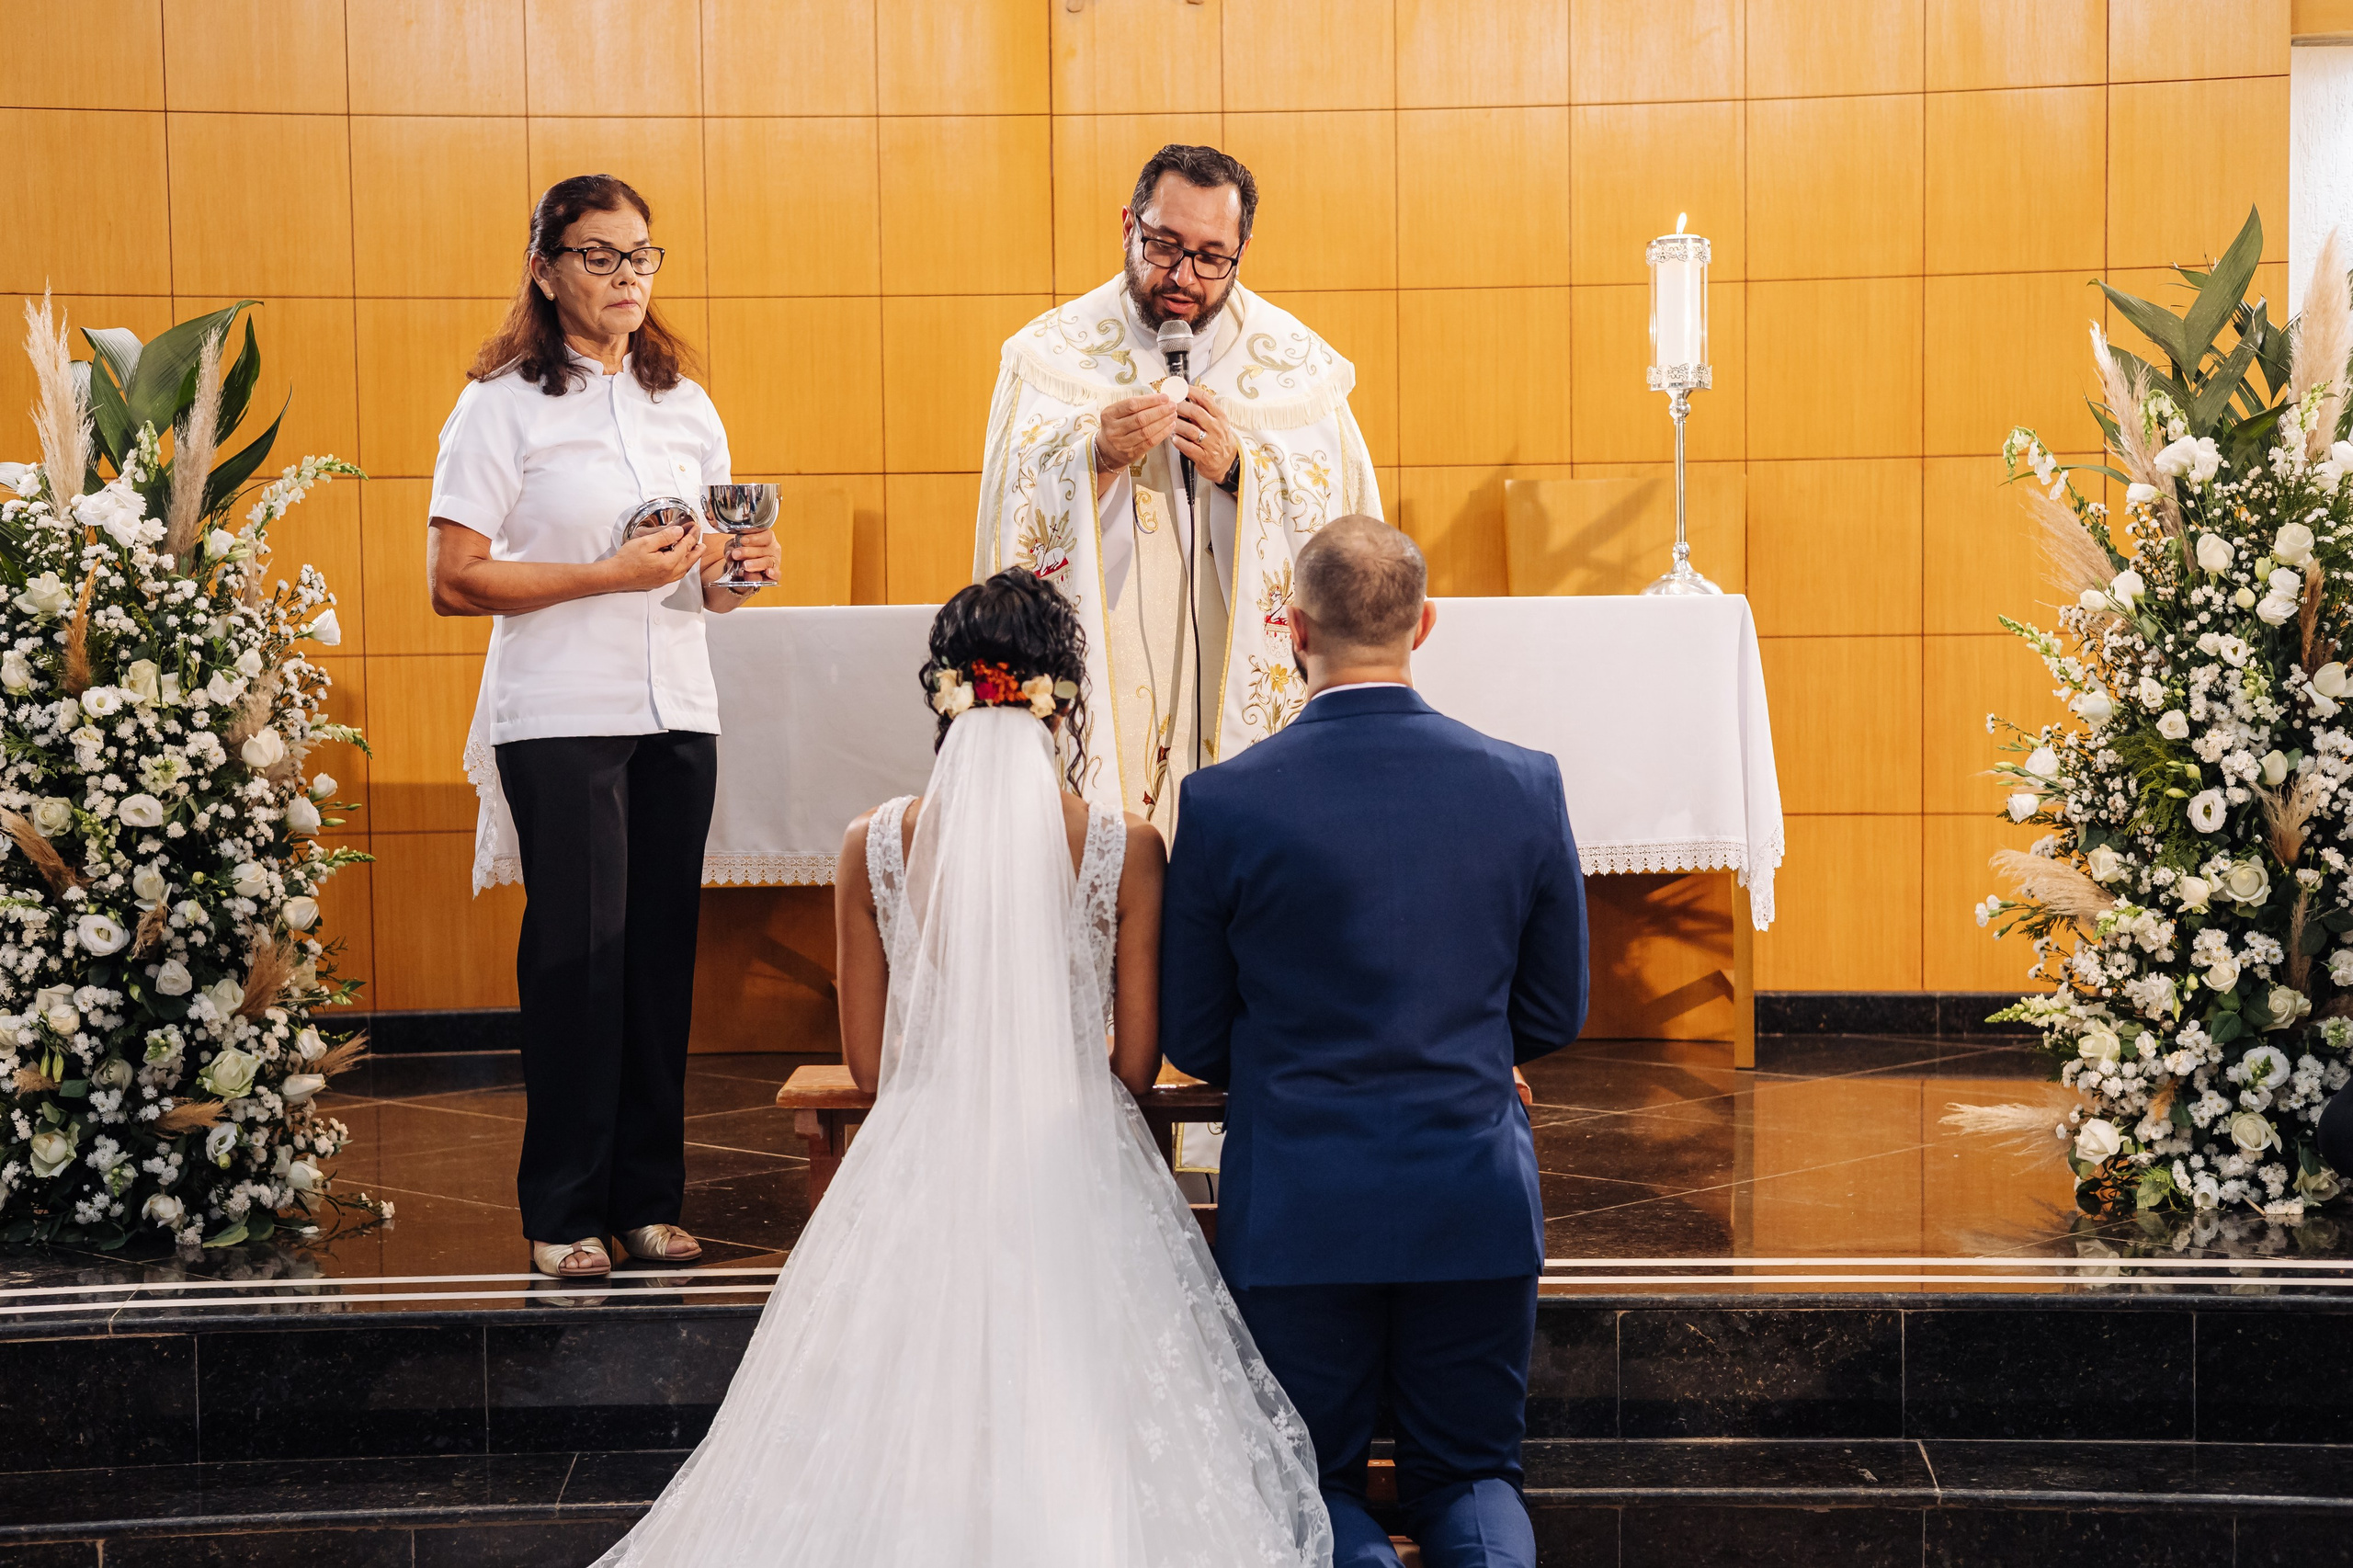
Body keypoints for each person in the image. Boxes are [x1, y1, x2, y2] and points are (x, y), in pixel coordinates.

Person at [588, 570, 1332, 1566]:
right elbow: (1135, 1061)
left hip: (919, 1154)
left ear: (942, 691)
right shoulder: (1127, 845)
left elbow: (870, 1064)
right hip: (1074, 1156)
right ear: (1061, 697)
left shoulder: (872, 844)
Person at [1159, 516, 1590, 1568]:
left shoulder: (1222, 802)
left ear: (1289, 627)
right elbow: (1554, 1009)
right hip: (1471, 1188)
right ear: (1424, 622)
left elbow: (1193, 1028)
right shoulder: (1523, 782)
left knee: (1313, 1481)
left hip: (1302, 1195)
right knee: (1474, 1477)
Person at [425, 174, 781, 1280]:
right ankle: (563, 1207)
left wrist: (740, 576)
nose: (627, 277)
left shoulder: (686, 404)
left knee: (660, 958)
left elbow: (703, 580)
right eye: (599, 256)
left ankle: (647, 1198)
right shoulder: (501, 405)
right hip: (563, 712)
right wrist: (604, 573)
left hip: (677, 703)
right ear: (544, 268)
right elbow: (453, 577)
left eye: (641, 256)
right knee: (580, 962)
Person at [972, 143, 1381, 832]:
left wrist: (1241, 474)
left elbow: (1349, 540)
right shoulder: (1048, 357)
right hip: (1106, 671)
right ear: (1128, 225)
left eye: (1211, 255)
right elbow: (1005, 525)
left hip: (1238, 678)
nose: (1184, 275)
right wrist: (1093, 459)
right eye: (1164, 245)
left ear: (1241, 251)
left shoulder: (1298, 370)